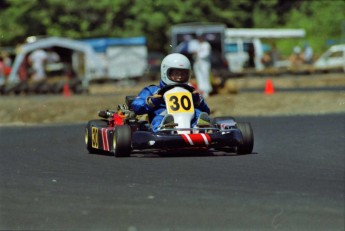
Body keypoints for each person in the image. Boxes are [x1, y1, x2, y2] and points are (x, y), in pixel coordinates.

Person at [131, 53, 210, 133]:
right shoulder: (153, 90)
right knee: (161, 116)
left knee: (198, 113)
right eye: (176, 73)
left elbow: (206, 111)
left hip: (188, 116)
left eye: (183, 73)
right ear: (165, 72)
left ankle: (198, 128)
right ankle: (164, 128)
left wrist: (198, 101)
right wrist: (151, 102)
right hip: (164, 114)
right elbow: (136, 106)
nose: (180, 77)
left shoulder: (191, 91)